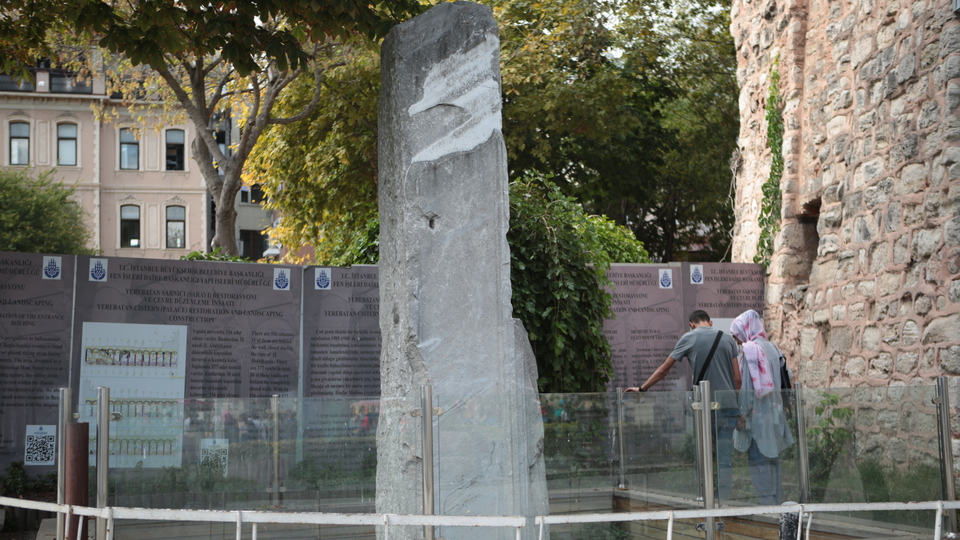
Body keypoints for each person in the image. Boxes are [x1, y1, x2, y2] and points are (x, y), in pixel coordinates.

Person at [626, 310, 741, 500]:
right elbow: (737, 379)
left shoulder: (689, 338)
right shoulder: (728, 340)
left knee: (702, 452)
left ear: (691, 324)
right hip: (727, 405)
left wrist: (642, 388)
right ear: (710, 323)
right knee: (724, 456)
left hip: (704, 406)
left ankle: (703, 496)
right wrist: (735, 404)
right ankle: (724, 499)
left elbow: (664, 370)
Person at [730, 309, 794, 505]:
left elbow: (749, 388)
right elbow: (787, 377)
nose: (738, 341)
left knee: (759, 467)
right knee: (774, 466)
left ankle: (768, 513)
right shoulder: (773, 348)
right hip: (775, 416)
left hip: (757, 418)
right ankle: (779, 510)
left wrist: (741, 414)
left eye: (737, 336)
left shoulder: (751, 351)